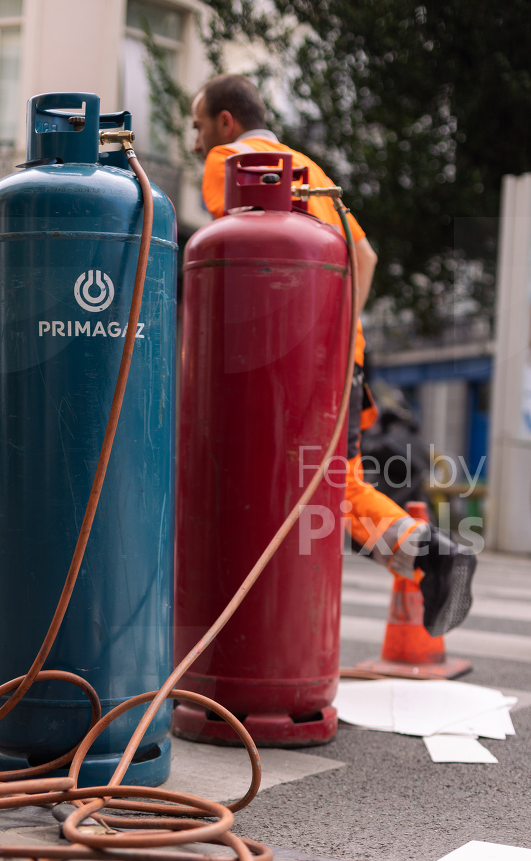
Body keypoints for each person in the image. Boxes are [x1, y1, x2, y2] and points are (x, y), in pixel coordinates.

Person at [191, 74, 475, 635]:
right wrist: (339, 328)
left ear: (226, 121)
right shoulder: (312, 170)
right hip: (340, 354)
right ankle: (428, 554)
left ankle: (431, 554)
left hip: (285, 360)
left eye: (198, 126)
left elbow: (249, 250)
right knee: (334, 482)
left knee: (288, 484)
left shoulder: (230, 159)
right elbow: (365, 255)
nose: (195, 142)